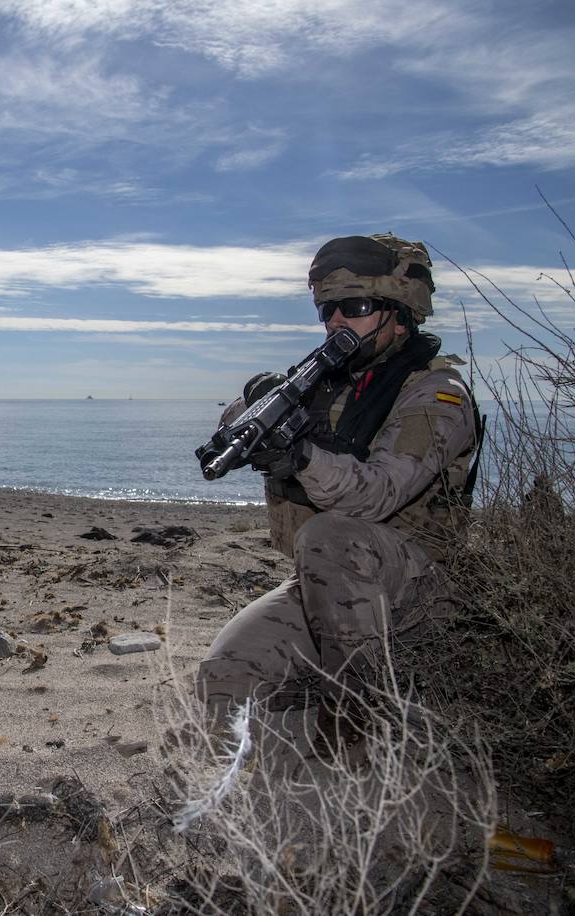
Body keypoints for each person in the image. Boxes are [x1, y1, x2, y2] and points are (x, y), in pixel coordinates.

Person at [195, 233, 479, 750]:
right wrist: (262, 404)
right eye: (328, 310)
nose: (336, 322)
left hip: (422, 593)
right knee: (223, 679)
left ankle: (358, 715)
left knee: (332, 532)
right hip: (330, 587)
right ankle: (315, 700)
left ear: (400, 310)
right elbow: (234, 421)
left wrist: (299, 454)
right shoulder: (332, 382)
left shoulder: (436, 394)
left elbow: (372, 497)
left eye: (356, 306)